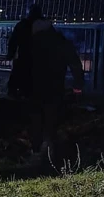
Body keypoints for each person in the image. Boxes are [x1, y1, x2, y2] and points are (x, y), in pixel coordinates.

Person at [27, 18, 84, 156]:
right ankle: (50, 146)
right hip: (55, 86)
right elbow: (75, 65)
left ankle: (36, 149)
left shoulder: (31, 44)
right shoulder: (62, 43)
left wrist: (16, 85)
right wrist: (78, 86)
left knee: (35, 116)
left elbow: (20, 66)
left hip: (33, 87)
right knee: (51, 116)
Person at [7, 4, 44, 97]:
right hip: (40, 58)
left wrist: (10, 54)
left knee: (16, 80)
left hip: (24, 57)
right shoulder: (45, 25)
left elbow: (13, 41)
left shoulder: (22, 25)